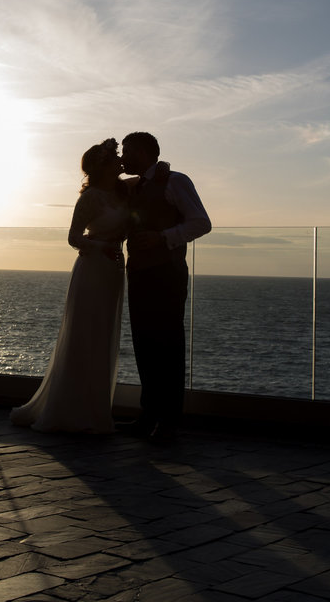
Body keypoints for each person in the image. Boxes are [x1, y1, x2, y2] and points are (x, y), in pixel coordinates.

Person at [10, 138, 129, 433]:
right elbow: (74, 237)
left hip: (115, 268)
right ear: (102, 166)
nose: (120, 161)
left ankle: (96, 410)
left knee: (103, 336)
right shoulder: (90, 199)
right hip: (93, 267)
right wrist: (98, 246)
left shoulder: (123, 191)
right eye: (114, 157)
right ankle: (72, 410)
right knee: (85, 335)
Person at [120, 131, 211, 444]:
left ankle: (169, 420)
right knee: (144, 343)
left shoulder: (175, 181)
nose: (122, 156)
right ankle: (149, 414)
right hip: (139, 272)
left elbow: (201, 222)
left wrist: (164, 237)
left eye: (127, 150)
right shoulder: (133, 186)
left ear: (144, 152)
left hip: (167, 273)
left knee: (168, 345)